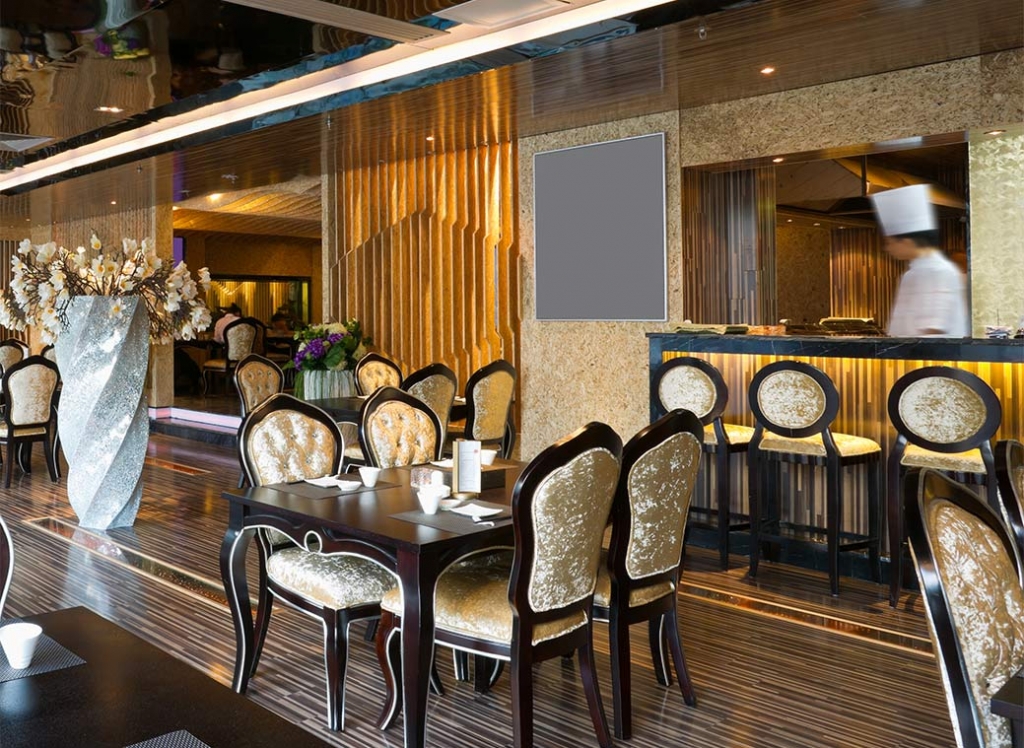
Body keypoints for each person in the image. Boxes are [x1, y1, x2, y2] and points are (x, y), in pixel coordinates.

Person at [869, 184, 969, 338]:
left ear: (907, 242)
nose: (887, 248)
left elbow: (934, 329)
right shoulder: (912, 273)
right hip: (909, 350)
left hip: (930, 353)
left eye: (889, 242)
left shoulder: (939, 271)